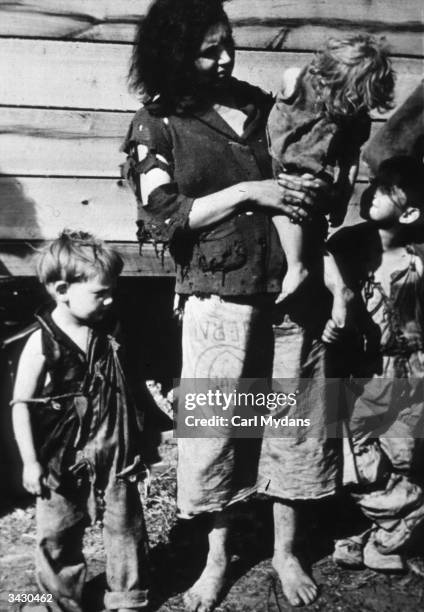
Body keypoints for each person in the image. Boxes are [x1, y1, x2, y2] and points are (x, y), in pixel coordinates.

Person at [122, 1, 330, 610]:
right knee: (216, 433)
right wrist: (247, 191)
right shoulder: (155, 125)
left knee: (291, 425)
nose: (225, 58)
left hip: (292, 290)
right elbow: (163, 218)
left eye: (228, 44)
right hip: (219, 297)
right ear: (173, 54)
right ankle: (216, 560)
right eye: (208, 49)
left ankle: (286, 552)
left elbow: (306, 175)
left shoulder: (263, 108)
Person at [11, 230, 150, 612]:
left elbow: (130, 384)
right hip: (62, 456)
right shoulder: (41, 342)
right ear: (61, 289)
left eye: (111, 292)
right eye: (100, 293)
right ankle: (57, 602)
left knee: (126, 528)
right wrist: (31, 462)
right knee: (57, 534)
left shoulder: (109, 330)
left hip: (114, 449)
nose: (109, 300)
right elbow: (20, 403)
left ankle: (128, 598)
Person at [328, 156, 424, 571]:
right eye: (373, 183)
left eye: (385, 189)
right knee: (359, 463)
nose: (372, 191)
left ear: (411, 212)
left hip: (411, 371)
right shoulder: (347, 246)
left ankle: (389, 538)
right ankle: (399, 527)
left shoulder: (418, 258)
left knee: (406, 456)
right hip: (363, 373)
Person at [268, 35, 395, 302]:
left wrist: (342, 198)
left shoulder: (356, 117)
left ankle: (298, 268)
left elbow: (349, 161)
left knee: (296, 205)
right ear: (331, 78)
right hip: (277, 163)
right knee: (283, 200)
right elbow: (274, 118)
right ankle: (310, 272)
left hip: (313, 174)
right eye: (351, 98)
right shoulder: (295, 79)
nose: (353, 108)